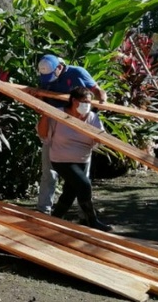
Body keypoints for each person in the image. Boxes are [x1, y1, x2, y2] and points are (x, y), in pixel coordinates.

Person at [35, 54, 107, 215]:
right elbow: (42, 101)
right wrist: (39, 104)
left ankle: (84, 213)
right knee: (49, 173)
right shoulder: (46, 77)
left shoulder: (77, 73)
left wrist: (101, 100)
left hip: (79, 126)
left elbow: (96, 90)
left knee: (81, 177)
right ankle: (44, 210)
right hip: (55, 125)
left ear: (59, 67)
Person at [36, 86, 113, 232]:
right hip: (61, 159)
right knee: (84, 185)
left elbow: (100, 138)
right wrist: (45, 115)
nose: (87, 105)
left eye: (89, 102)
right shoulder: (58, 114)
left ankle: (55, 219)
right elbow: (43, 133)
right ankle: (92, 220)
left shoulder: (92, 118)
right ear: (73, 100)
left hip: (83, 159)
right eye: (83, 101)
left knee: (70, 192)